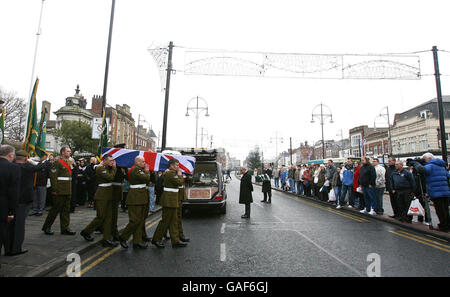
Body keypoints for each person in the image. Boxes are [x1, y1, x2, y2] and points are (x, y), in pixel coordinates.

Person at [5, 150, 50, 256]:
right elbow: (42, 166)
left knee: (9, 226)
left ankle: (8, 248)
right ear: (26, 158)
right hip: (23, 200)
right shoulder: (26, 167)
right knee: (19, 226)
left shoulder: (11, 166)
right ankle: (16, 248)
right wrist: (47, 160)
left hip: (9, 199)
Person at [80, 154, 118, 247]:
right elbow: (110, 177)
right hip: (102, 195)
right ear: (104, 161)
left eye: (113, 160)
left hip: (109, 195)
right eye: (110, 160)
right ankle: (86, 231)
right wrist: (114, 168)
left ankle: (106, 238)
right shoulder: (100, 168)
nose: (112, 162)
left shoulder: (107, 168)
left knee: (109, 217)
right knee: (100, 217)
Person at [151, 159, 187, 248]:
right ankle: (156, 239)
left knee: (174, 221)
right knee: (165, 221)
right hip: (169, 200)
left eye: (178, 165)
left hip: (172, 199)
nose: (177, 167)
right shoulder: (171, 173)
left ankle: (175, 241)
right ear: (171, 165)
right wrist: (180, 175)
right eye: (176, 165)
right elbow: (179, 182)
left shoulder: (171, 173)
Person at [42, 146, 76, 236]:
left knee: (66, 210)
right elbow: (53, 177)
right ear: (63, 153)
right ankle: (47, 226)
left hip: (67, 189)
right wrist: (54, 189)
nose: (70, 153)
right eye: (68, 151)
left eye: (70, 151)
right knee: (55, 209)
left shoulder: (69, 163)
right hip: (59, 190)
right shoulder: (57, 163)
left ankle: (65, 228)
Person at [412, 153, 450, 232]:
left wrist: (416, 164)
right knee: (445, 210)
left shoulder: (430, 166)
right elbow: (447, 175)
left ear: (429, 159)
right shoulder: (441, 166)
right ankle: (447, 225)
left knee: (440, 210)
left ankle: (443, 227)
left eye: (424, 159)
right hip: (445, 191)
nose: (423, 161)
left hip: (436, 192)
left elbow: (421, 170)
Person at [0, 145, 20, 268]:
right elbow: (13, 192)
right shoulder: (13, 168)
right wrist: (11, 212)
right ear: (11, 155)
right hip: (3, 208)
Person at [111, 167, 125, 241]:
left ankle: (114, 232)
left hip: (117, 193)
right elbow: (112, 177)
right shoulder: (112, 169)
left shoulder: (121, 168)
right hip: (112, 193)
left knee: (114, 215)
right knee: (111, 215)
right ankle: (113, 232)